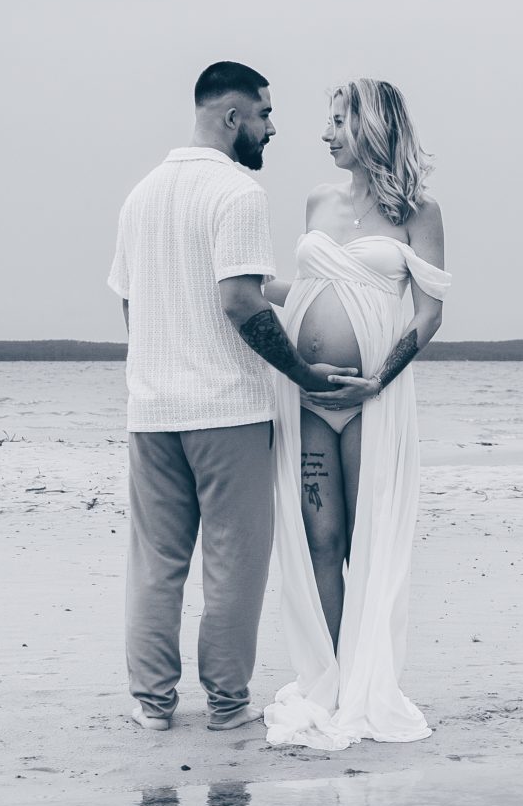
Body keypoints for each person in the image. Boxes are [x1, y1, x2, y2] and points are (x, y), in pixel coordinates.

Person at [108, 61, 350, 732]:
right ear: (231, 116)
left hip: (151, 413)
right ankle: (225, 704)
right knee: (233, 565)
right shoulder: (236, 195)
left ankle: (152, 704)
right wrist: (304, 375)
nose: (272, 129)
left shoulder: (141, 195)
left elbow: (134, 306)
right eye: (265, 115)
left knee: (156, 565)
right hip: (227, 412)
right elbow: (240, 301)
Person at [261, 79, 450, 752]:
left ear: (370, 126)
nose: (325, 133)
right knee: (321, 539)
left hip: (371, 399)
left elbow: (428, 315)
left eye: (337, 121)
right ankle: (334, 678)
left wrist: (374, 381)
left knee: (366, 543)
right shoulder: (317, 200)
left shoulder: (417, 213)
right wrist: (251, 287)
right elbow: (309, 288)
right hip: (307, 396)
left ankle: (368, 680)